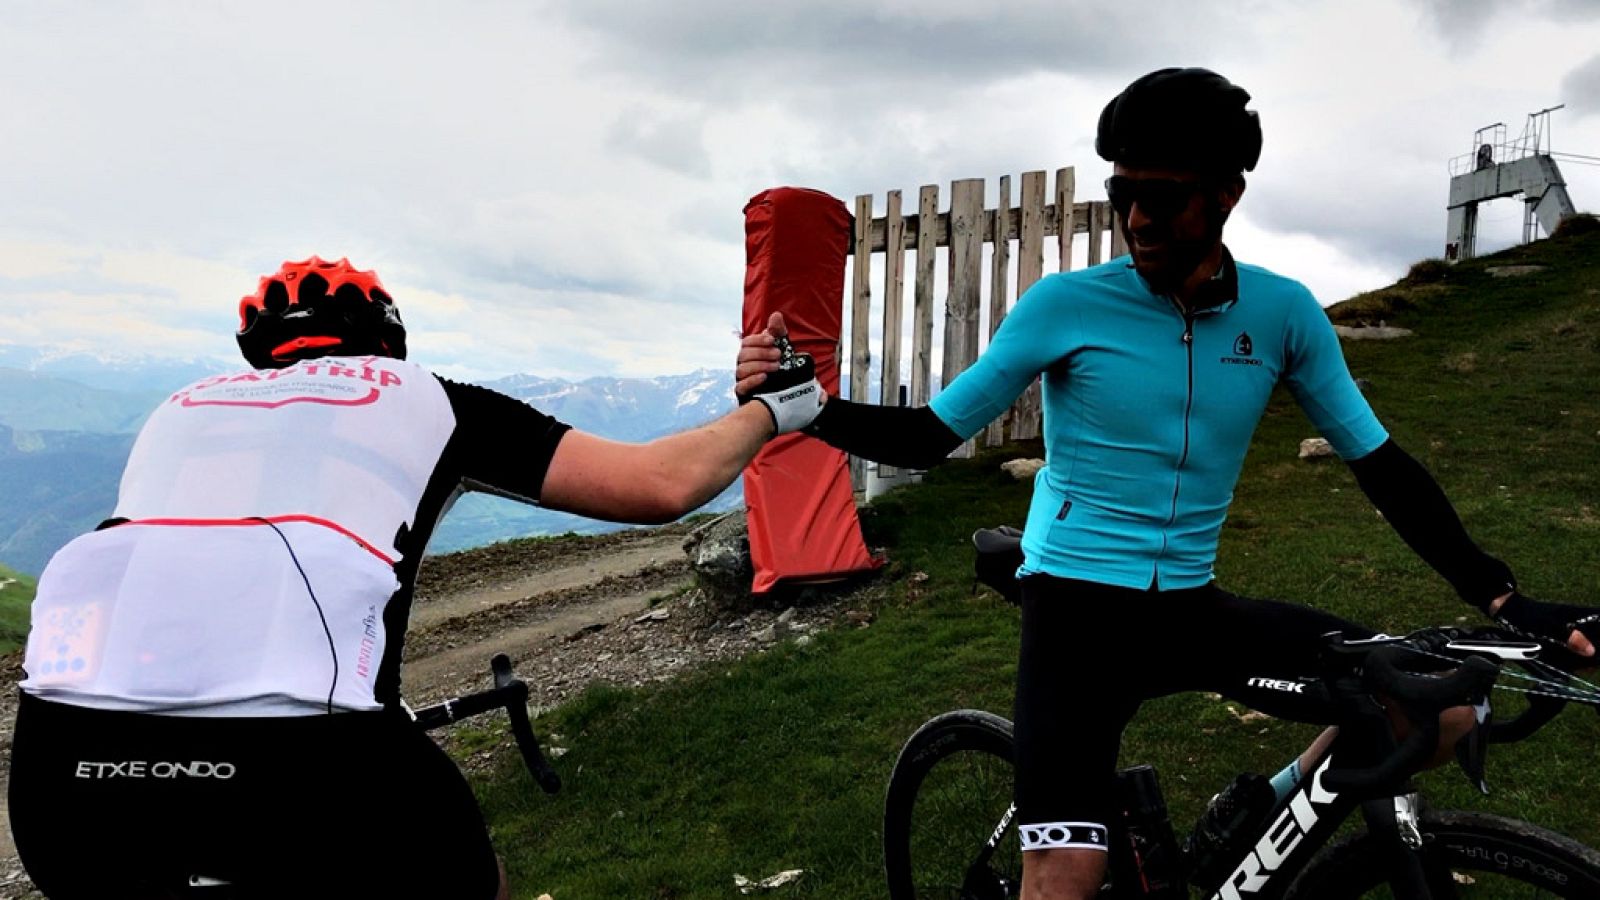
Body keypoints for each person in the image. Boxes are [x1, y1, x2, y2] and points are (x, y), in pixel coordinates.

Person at [737, 68, 1600, 900]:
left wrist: (1502, 598)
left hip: (1190, 608)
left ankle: (1260, 813)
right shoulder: (1067, 304)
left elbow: (1380, 465)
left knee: (1434, 713)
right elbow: (930, 436)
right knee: (1066, 879)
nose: (1138, 219)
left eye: (1163, 196)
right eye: (1123, 196)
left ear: (1228, 194)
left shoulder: (1282, 312)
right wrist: (809, 406)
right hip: (1076, 613)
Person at [9, 256, 824, 900]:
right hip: (309, 760)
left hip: (63, 773)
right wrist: (772, 408)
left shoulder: (178, 410)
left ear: (257, 352)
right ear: (387, 341)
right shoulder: (427, 396)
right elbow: (659, 485)